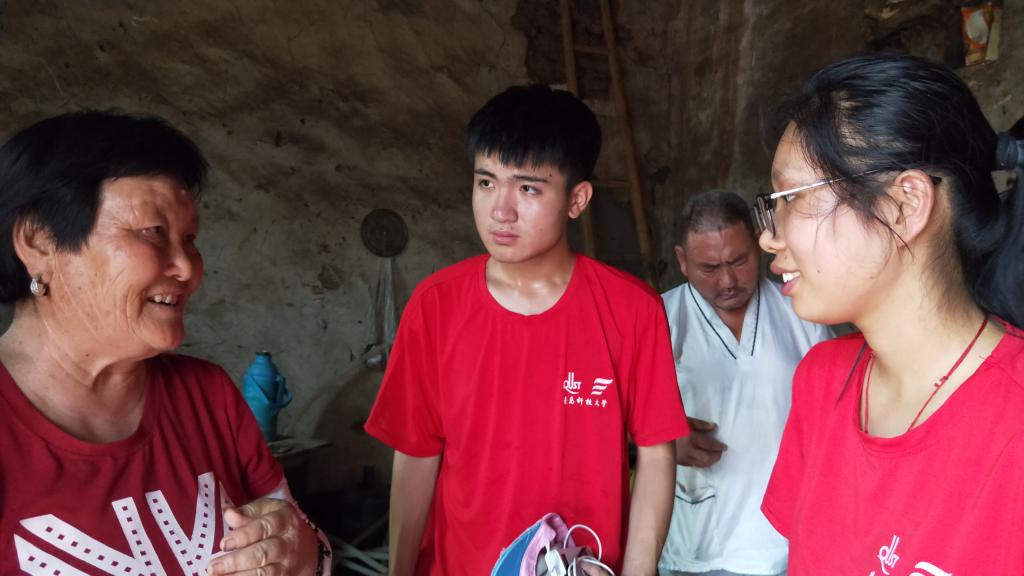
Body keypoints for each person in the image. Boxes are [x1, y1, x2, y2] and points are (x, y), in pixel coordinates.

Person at [364, 85, 687, 576]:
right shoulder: (435, 306)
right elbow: (415, 456)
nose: (501, 210)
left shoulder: (632, 309)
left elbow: (656, 456)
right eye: (486, 182)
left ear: (577, 199)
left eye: (528, 189)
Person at [0, 111, 329, 575]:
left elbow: (300, 543)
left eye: (189, 240)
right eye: (152, 233)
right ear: (38, 242)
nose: (188, 268)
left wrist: (302, 552)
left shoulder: (206, 395)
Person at [756, 53, 1024, 573]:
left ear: (905, 204)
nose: (769, 236)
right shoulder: (821, 382)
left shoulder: (1013, 422)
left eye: (792, 198)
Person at [657, 191, 832, 576]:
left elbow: (837, 416)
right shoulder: (659, 321)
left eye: (739, 261)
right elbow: (610, 420)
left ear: (758, 243)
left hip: (789, 545)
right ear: (682, 261)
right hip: (699, 550)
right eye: (709, 268)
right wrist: (661, 442)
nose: (728, 281)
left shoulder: (802, 312)